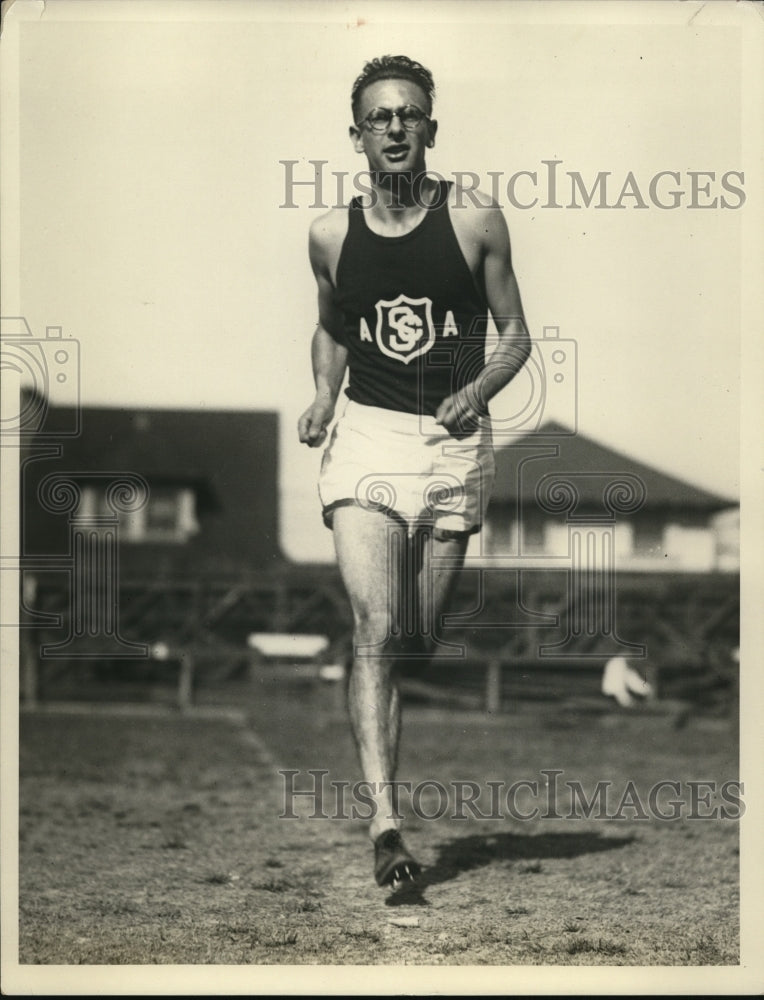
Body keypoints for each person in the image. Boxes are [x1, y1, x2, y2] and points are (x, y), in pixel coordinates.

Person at [298, 55, 531, 889]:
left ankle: (400, 659)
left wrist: (476, 391)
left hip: (449, 444)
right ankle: (387, 826)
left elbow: (516, 336)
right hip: (366, 435)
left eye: (409, 115)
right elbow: (331, 325)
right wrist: (326, 395)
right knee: (372, 629)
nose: (395, 128)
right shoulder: (330, 233)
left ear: (431, 126)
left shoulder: (474, 220)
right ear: (355, 133)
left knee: (412, 641)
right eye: (379, 116)